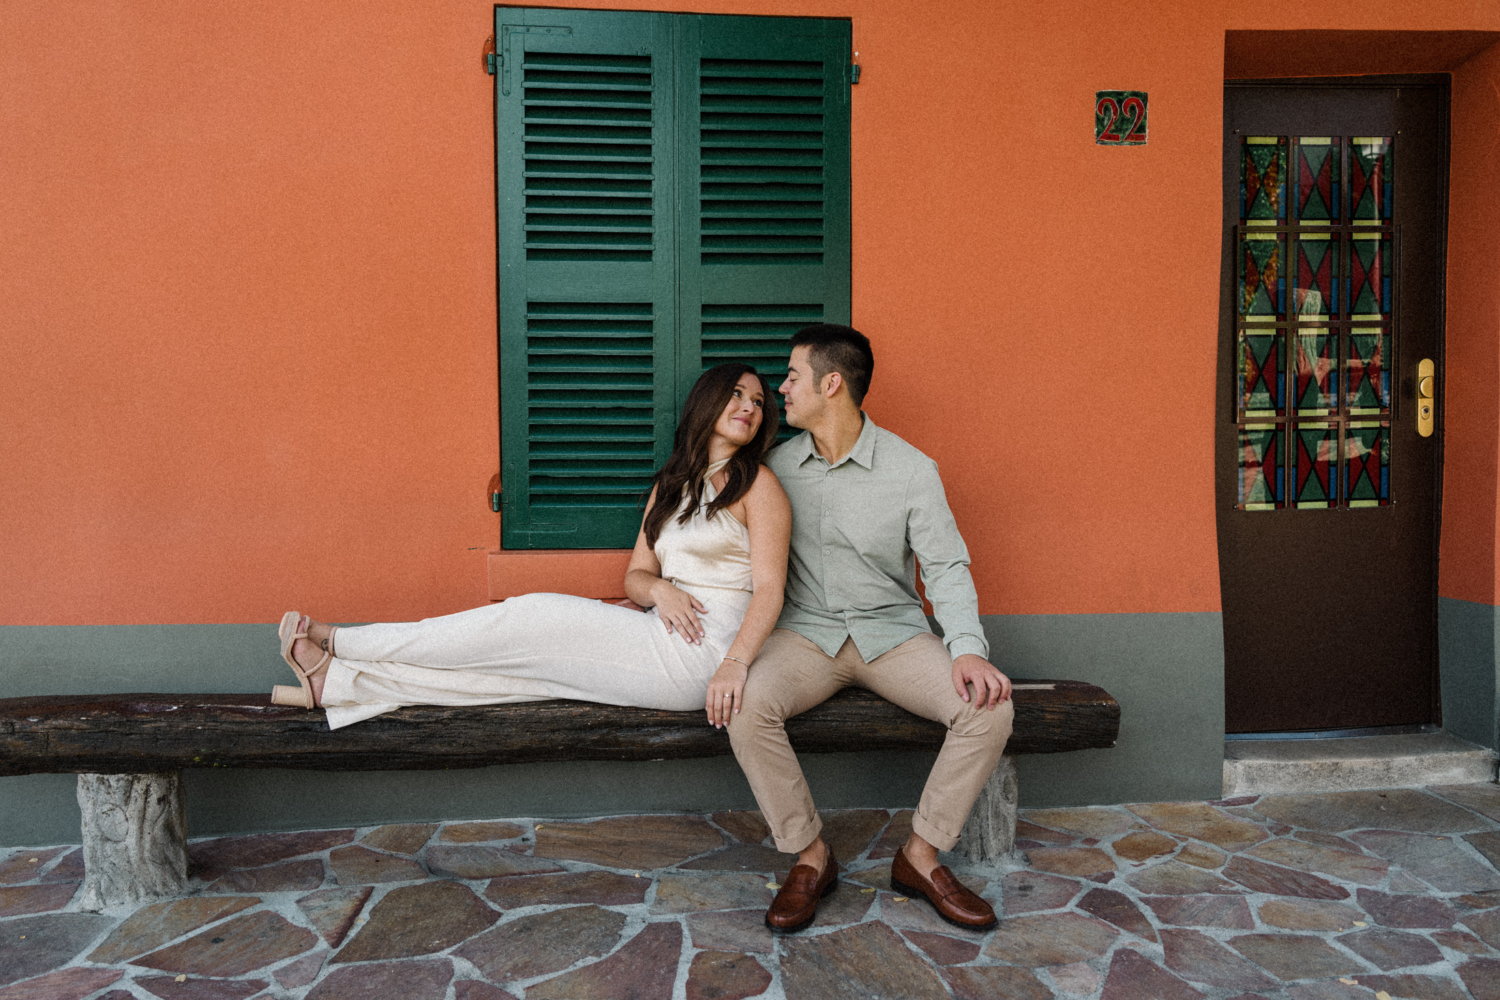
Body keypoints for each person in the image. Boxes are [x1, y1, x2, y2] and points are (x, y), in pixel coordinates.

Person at [271, 364, 791, 731]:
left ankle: (341, 641)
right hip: (658, 629)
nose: (748, 407)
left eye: (758, 402)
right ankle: (335, 682)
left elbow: (770, 590)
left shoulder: (758, 486)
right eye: (737, 394)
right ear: (708, 401)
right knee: (507, 676)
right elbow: (634, 576)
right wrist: (659, 590)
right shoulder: (671, 485)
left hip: (706, 654)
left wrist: (735, 665)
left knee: (531, 614)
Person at [726, 325, 1013, 933]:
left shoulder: (912, 471)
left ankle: (921, 856)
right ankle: (810, 857)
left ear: (832, 385)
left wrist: (966, 649)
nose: (782, 389)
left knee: (990, 709)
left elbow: (947, 567)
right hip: (806, 635)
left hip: (894, 637)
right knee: (747, 705)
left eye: (793, 376)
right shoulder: (775, 469)